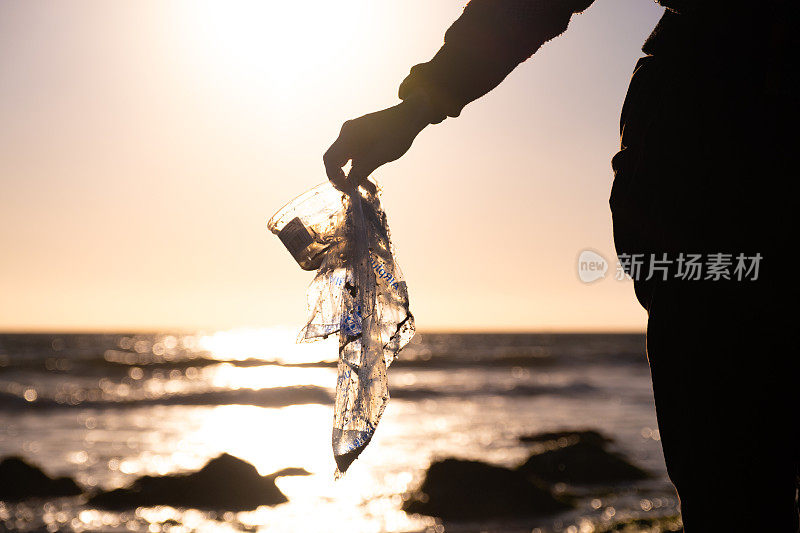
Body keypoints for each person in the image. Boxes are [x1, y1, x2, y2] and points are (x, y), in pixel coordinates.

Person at [324, 1, 799, 531]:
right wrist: (419, 105)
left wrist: (418, 106)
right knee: (730, 478)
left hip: (709, 147)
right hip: (703, 155)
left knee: (732, 485)